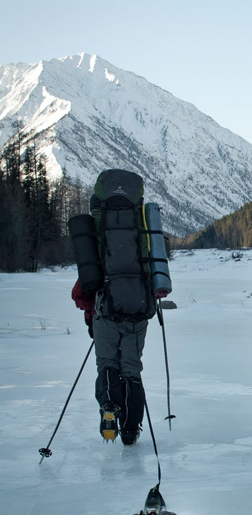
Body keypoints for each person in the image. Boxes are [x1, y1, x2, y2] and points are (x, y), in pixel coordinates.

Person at [70, 169, 159, 445]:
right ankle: (131, 430)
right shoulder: (140, 234)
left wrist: (90, 315)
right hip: (138, 310)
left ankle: (109, 405)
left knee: (107, 364)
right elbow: (153, 268)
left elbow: (82, 290)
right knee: (131, 370)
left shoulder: (99, 240)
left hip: (105, 311)